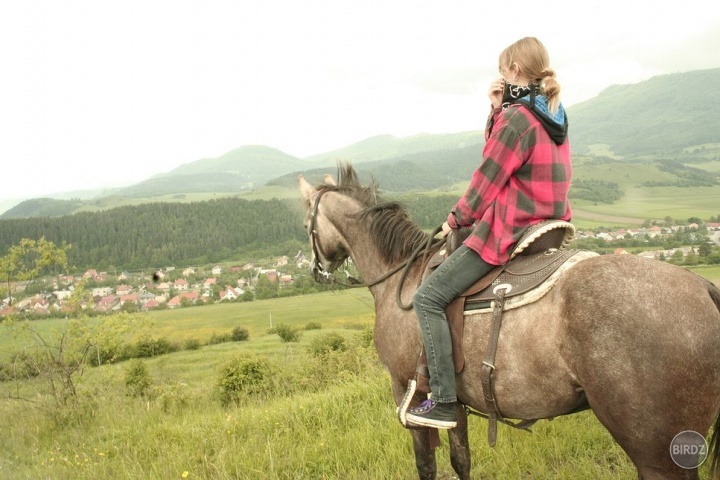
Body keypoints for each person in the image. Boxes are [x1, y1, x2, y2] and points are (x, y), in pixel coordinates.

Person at [405, 37, 572, 429]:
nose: (501, 75)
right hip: (550, 224)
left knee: (427, 296)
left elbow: (488, 177)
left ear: (514, 69)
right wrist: (499, 109)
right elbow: (505, 153)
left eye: (503, 69)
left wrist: (454, 219)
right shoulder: (552, 111)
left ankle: (444, 400)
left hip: (513, 226)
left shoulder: (518, 120)